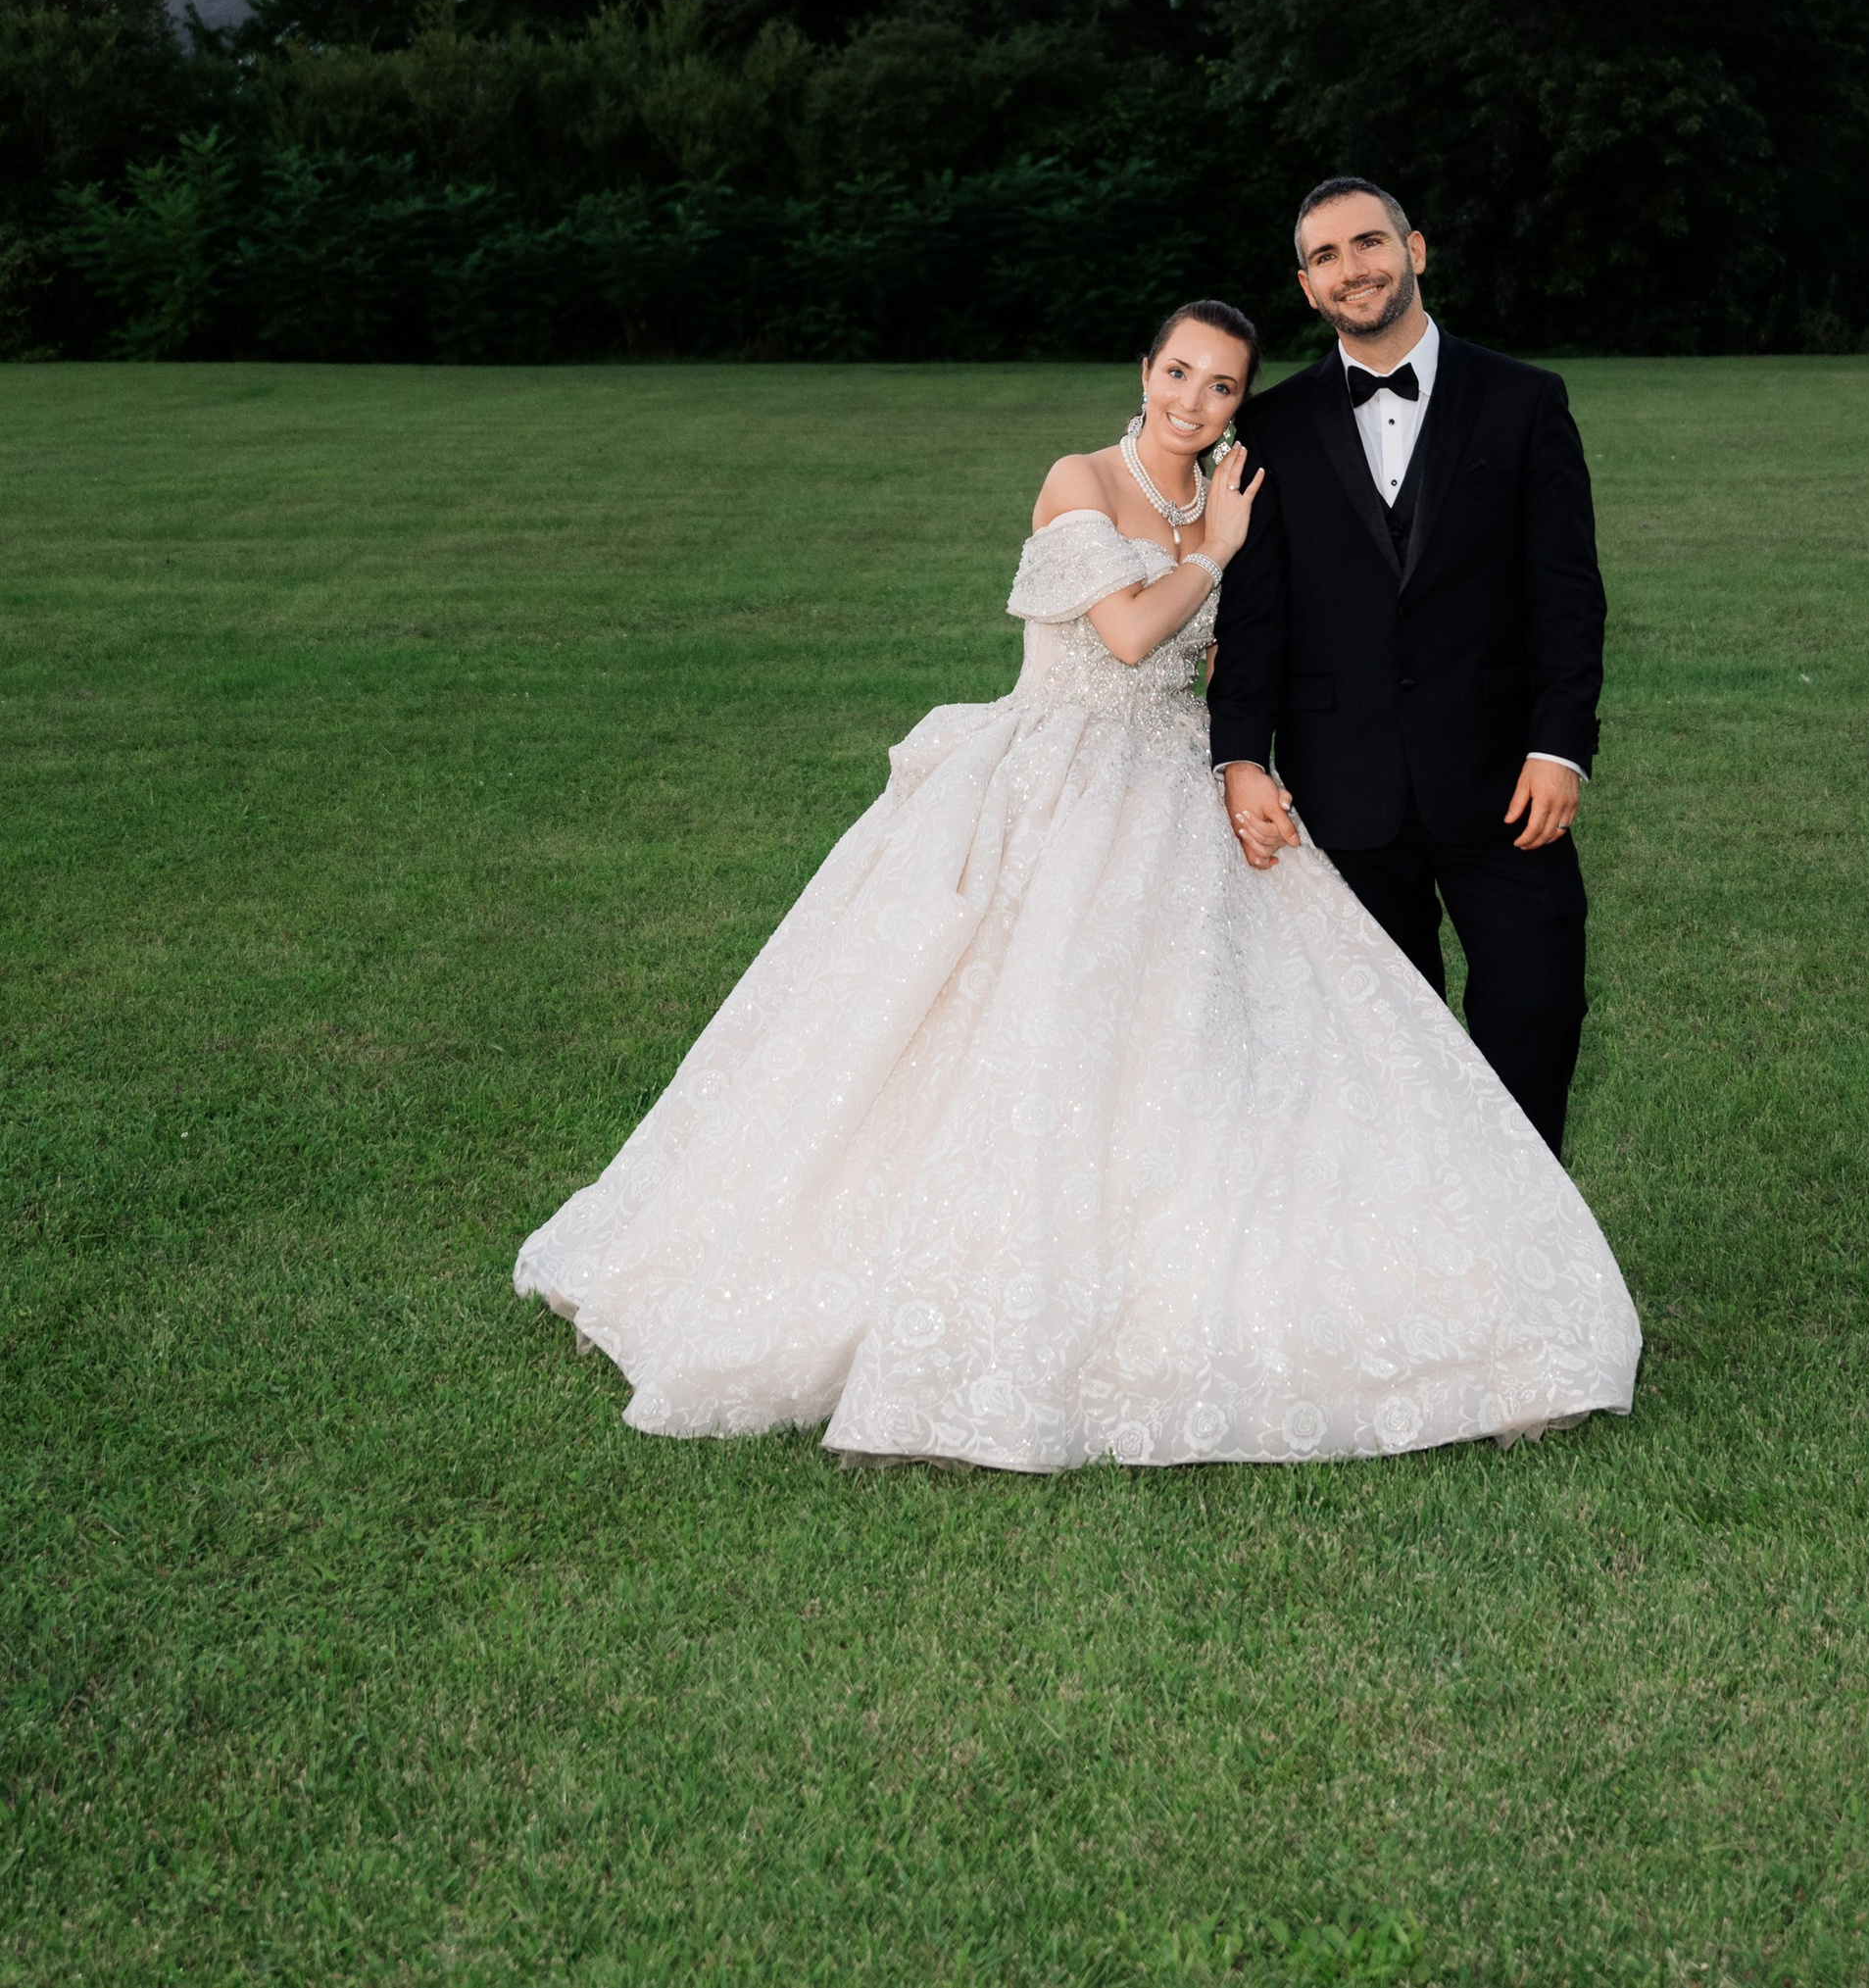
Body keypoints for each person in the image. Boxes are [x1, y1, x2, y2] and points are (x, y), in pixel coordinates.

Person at [515, 296, 1639, 1468]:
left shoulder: (1229, 489)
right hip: (1051, 789)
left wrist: (1247, 743)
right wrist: (1213, 552)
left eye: (1221, 387)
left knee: (1223, 1041)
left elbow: (1252, 648)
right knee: (1009, 1032)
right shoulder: (1082, 479)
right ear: (1144, 368)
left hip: (1178, 790)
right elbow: (1128, 632)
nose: (1193, 401)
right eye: (1178, 373)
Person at [1208, 181, 1603, 1157]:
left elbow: (1566, 592)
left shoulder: (1524, 399)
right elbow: (1253, 616)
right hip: (1340, 786)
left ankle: (1530, 1248)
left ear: (1416, 248)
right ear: (1307, 285)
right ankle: (1416, 1267)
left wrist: (1560, 745)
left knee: (1537, 1012)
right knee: (1377, 1043)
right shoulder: (1274, 423)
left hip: (1503, 778)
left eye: (1370, 241)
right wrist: (1238, 755)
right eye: (1328, 255)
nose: (1355, 267)